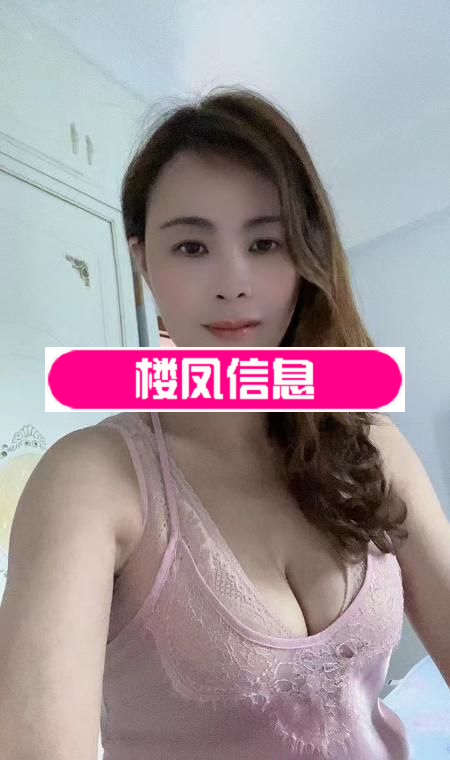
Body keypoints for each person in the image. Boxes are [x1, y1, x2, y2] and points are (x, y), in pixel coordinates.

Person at [1, 86, 449, 760]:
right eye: (191, 247)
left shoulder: (369, 439)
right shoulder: (91, 480)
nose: (234, 281)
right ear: (141, 261)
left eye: (265, 242)